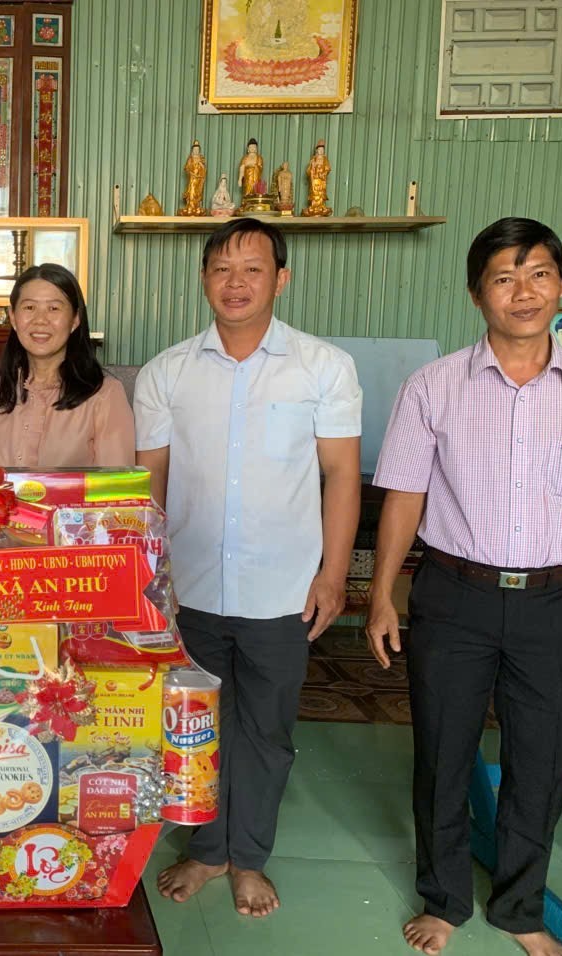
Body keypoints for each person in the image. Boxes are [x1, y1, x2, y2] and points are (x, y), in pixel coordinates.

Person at [366, 217, 562, 956]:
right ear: (477, 294)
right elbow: (404, 496)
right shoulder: (433, 386)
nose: (523, 292)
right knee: (442, 754)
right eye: (504, 278)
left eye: (538, 274)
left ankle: (521, 910)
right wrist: (380, 596)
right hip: (455, 595)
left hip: (560, 602)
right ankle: (443, 899)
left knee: (542, 763)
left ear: (561, 285)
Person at [133, 217, 362, 918]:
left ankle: (249, 858)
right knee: (192, 727)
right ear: (204, 279)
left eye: (252, 269)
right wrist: (152, 580)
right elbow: (150, 484)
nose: (236, 283)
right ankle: (206, 851)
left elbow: (341, 475)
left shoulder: (323, 367)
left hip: (282, 591)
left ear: (280, 279)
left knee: (266, 733)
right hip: (190, 589)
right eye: (222, 269)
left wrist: (332, 575)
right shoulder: (167, 372)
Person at [0, 263, 134, 468]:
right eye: (29, 307)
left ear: (75, 319)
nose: (40, 320)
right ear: (12, 316)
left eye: (54, 308)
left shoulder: (105, 395)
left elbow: (116, 484)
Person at [177, 139, 208, 217]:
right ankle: (190, 206)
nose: (196, 151)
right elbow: (186, 168)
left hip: (199, 179)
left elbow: (204, 169)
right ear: (193, 150)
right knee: (192, 192)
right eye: (195, 149)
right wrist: (191, 172)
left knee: (198, 193)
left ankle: (196, 206)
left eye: (197, 149)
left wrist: (200, 163)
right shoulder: (190, 158)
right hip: (193, 179)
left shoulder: (201, 158)